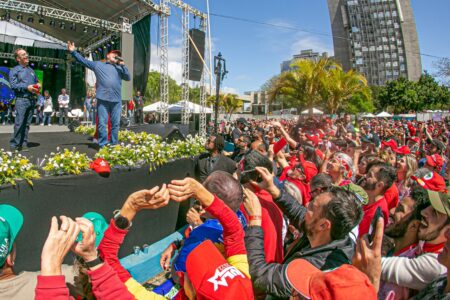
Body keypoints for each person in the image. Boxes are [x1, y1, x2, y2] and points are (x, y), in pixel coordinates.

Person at [243, 168, 363, 298]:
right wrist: (274, 190)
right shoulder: (329, 233)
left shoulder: (316, 270)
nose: (306, 206)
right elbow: (299, 213)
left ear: (324, 225)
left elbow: (261, 276)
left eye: (312, 207)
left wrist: (255, 221)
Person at [68, 41, 131, 147]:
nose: (117, 56)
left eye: (118, 55)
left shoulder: (119, 68)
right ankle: (103, 145)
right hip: (103, 99)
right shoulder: (98, 65)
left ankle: (114, 144)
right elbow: (83, 61)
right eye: (114, 54)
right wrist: (73, 52)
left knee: (115, 124)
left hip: (116, 100)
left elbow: (128, 77)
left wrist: (123, 65)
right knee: (102, 123)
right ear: (108, 55)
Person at [9, 48, 41, 151]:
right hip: (21, 100)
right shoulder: (15, 70)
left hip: (31, 100)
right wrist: (26, 87)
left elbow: (37, 81)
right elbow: (13, 85)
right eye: (23, 54)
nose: (26, 55)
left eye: (26, 53)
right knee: (19, 123)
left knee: (27, 124)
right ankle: (14, 145)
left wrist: (38, 84)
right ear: (18, 59)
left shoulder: (31, 70)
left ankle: (23, 144)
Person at [359, 161, 396, 236]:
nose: (365, 176)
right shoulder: (367, 199)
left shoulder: (377, 214)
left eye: (370, 175)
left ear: (379, 185)